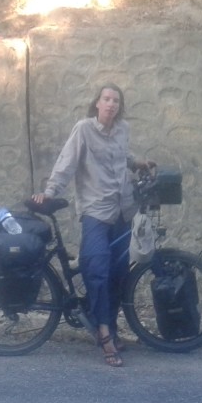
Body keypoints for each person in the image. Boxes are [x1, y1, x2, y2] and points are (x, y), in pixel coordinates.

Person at [32, 83, 153, 367]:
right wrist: (50, 192)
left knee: (118, 274)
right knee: (97, 270)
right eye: (106, 99)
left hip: (123, 210)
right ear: (97, 103)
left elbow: (122, 156)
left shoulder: (122, 130)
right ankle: (102, 333)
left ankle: (109, 324)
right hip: (96, 212)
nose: (111, 104)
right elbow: (67, 163)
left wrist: (138, 163)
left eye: (116, 100)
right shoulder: (84, 129)